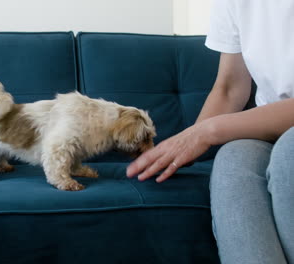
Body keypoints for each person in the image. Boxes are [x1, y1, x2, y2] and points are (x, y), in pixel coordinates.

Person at [126, 0, 294, 263]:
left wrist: (208, 131)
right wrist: (184, 146)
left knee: (289, 154)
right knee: (232, 161)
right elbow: (229, 88)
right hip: (268, 125)